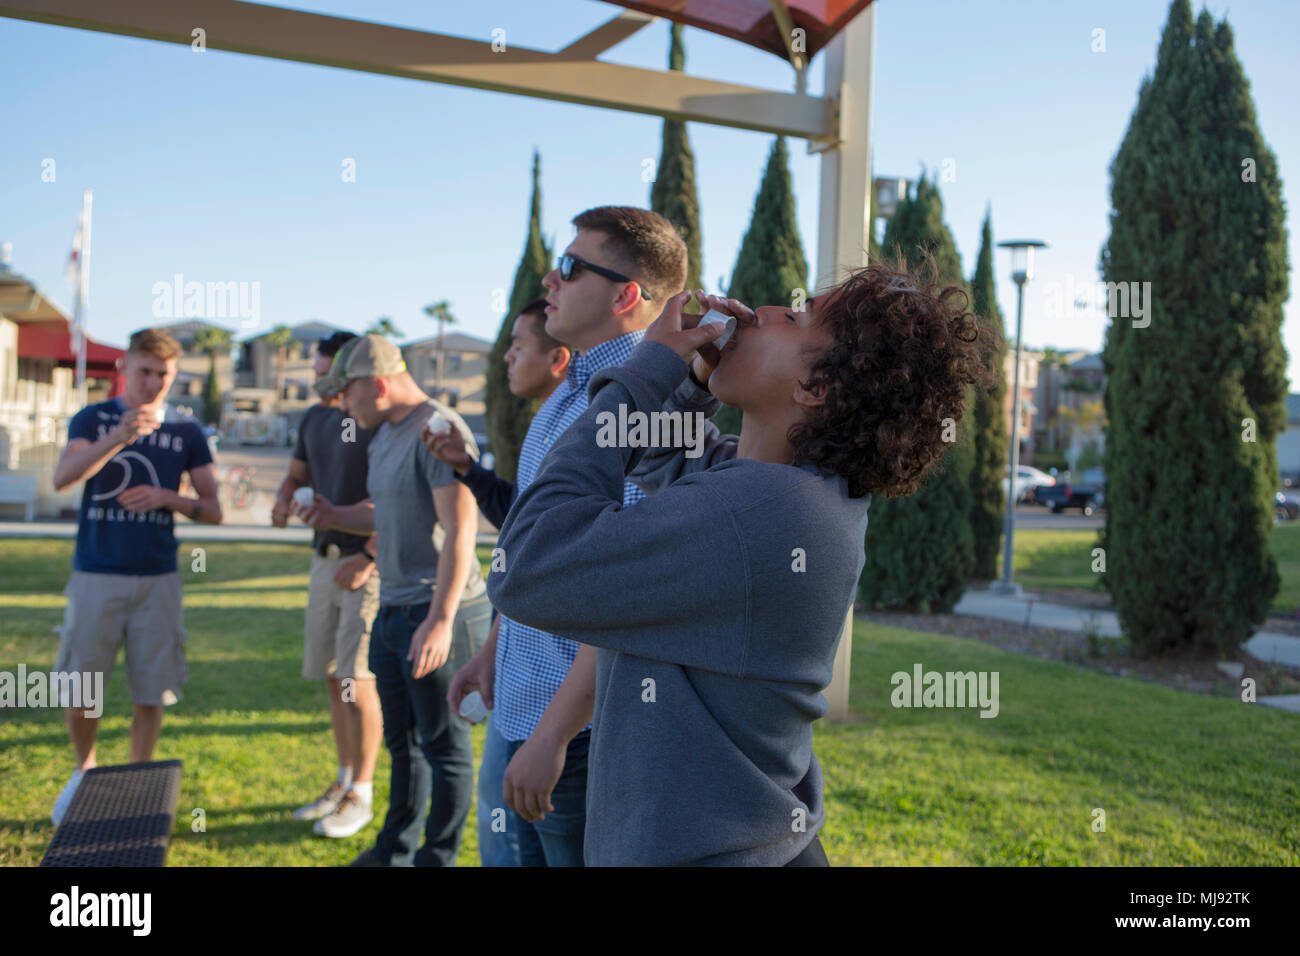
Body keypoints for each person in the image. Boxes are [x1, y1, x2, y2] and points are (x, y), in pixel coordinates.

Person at [486, 258, 992, 865]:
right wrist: (695, 379)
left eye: (798, 318)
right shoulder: (792, 490)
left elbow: (527, 563)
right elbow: (659, 463)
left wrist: (644, 373)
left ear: (816, 387)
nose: (770, 308)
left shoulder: (761, 511)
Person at [445, 205, 688, 867]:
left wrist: (554, 736)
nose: (549, 280)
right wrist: (496, 645)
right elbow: (541, 551)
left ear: (626, 295)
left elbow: (623, 595)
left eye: (571, 267)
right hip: (524, 711)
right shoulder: (565, 394)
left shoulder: (649, 405)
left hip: (579, 739)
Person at [301, 334, 492, 866]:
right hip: (393, 608)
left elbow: (460, 531)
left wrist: (440, 621)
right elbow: (382, 515)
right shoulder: (383, 433)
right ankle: (395, 850)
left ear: (378, 384)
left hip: (436, 612)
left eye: (348, 392)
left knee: (444, 748)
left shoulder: (438, 430)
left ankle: (437, 858)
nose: (342, 403)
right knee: (404, 747)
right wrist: (331, 513)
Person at [49, 328, 223, 825]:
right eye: (145, 371)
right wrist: (119, 437)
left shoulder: (187, 432)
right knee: (84, 685)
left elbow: (213, 510)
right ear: (126, 366)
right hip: (96, 572)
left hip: (158, 576)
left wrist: (169, 498)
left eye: (163, 374)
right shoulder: (94, 418)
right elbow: (64, 477)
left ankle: (137, 782)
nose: (153, 383)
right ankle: (84, 772)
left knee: (152, 687)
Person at [422, 298, 570, 867]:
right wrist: (492, 648)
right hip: (519, 681)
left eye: (517, 345)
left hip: (554, 703)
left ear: (559, 357)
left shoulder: (583, 416)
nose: (505, 358)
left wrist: (555, 734)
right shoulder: (547, 419)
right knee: (504, 837)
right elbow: (523, 532)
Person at [271, 330, 383, 839]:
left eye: (326, 373)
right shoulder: (315, 418)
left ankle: (364, 789)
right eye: (316, 371)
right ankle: (340, 782)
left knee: (357, 683)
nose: (320, 381)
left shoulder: (375, 422)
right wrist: (282, 499)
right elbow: (296, 474)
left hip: (365, 565)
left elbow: (399, 499)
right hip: (323, 560)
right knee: (332, 678)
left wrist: (368, 556)